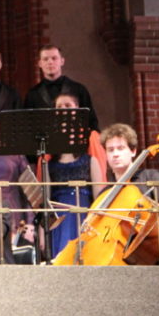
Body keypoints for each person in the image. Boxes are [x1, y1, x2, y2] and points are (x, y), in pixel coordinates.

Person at [48, 93, 105, 257]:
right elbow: (45, 201)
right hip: (59, 217)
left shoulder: (90, 160)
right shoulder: (50, 163)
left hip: (83, 214)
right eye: (59, 107)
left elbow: (99, 199)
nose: (64, 111)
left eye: (68, 106)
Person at [24, 45, 99, 131]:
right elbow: (28, 125)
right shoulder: (32, 94)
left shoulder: (79, 89)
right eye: (45, 59)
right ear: (40, 64)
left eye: (54, 58)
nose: (50, 62)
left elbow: (91, 121)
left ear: (62, 61)